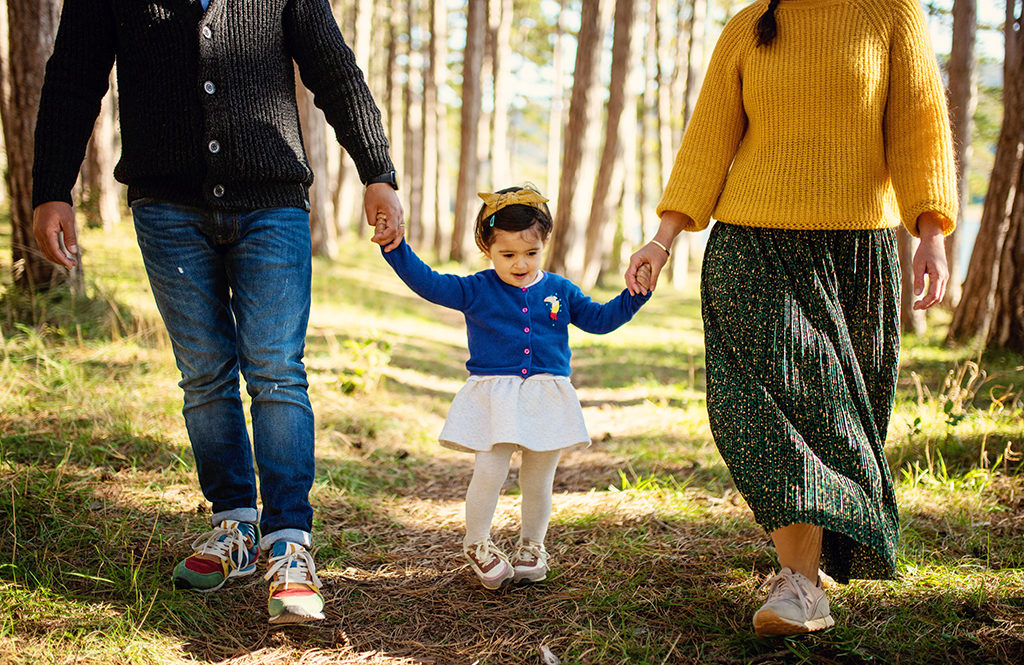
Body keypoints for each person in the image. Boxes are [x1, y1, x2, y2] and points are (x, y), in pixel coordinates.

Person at [31, 0, 404, 624]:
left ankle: (289, 543)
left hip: (273, 204)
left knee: (276, 369)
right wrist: (50, 186)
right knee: (204, 372)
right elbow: (73, 75)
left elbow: (334, 69)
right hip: (167, 206)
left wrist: (377, 171)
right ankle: (233, 525)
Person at [625, 0, 956, 636]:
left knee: (836, 411)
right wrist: (662, 240)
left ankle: (812, 562)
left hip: (853, 250)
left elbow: (919, 126)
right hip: (752, 245)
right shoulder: (748, 27)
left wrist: (931, 232)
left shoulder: (890, 13)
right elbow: (707, 140)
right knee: (765, 406)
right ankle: (799, 584)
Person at [377, 186, 650, 590]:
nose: (520, 264)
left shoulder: (560, 290)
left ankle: (531, 546)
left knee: (538, 480)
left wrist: (634, 295)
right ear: (487, 248)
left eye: (531, 253)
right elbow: (429, 282)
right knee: (490, 471)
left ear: (544, 244)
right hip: (497, 396)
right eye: (508, 255)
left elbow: (600, 319)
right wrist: (395, 249)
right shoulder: (476, 288)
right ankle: (477, 543)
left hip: (547, 395)